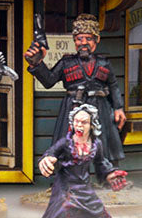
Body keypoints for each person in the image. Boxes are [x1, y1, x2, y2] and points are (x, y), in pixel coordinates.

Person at [24, 13, 126, 171]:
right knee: (68, 147)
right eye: (79, 39)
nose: (84, 43)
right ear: (74, 40)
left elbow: (113, 85)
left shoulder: (104, 63)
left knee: (105, 147)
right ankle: (68, 178)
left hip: (100, 109)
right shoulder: (66, 63)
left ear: (97, 40)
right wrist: (36, 64)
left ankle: (107, 176)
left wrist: (118, 108)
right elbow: (49, 81)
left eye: (88, 38)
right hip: (73, 108)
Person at [24, 104, 127, 218]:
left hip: (84, 187)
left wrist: (110, 175)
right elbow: (50, 153)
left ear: (91, 125)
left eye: (84, 122)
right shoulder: (66, 143)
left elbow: (101, 164)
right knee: (65, 209)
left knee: (100, 213)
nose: (79, 125)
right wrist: (46, 160)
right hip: (65, 186)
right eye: (76, 121)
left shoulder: (96, 144)